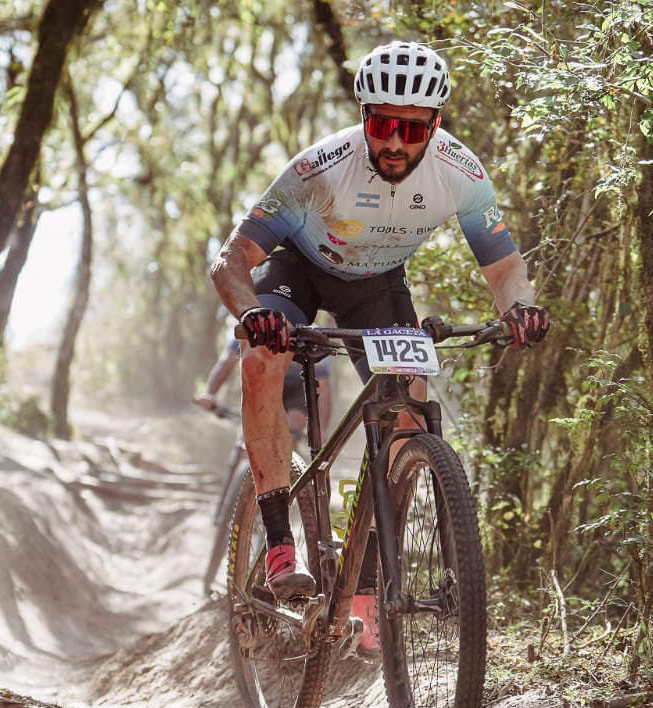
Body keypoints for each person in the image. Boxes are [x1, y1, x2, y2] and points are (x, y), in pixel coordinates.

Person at [207, 40, 552, 654]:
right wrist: (254, 313)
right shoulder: (321, 166)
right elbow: (230, 260)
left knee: (410, 407)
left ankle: (367, 578)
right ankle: (281, 536)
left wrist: (520, 307)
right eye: (381, 125)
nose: (394, 142)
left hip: (377, 287)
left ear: (434, 126)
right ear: (365, 117)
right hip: (299, 272)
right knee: (263, 357)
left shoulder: (461, 173)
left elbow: (504, 270)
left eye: (410, 129)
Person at [193, 316, 332, 445]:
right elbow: (227, 362)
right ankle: (240, 464)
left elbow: (323, 387)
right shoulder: (258, 322)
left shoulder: (312, 335)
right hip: (264, 386)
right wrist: (210, 393)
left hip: (296, 393)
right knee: (247, 441)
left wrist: (321, 429)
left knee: (289, 440)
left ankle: (289, 466)